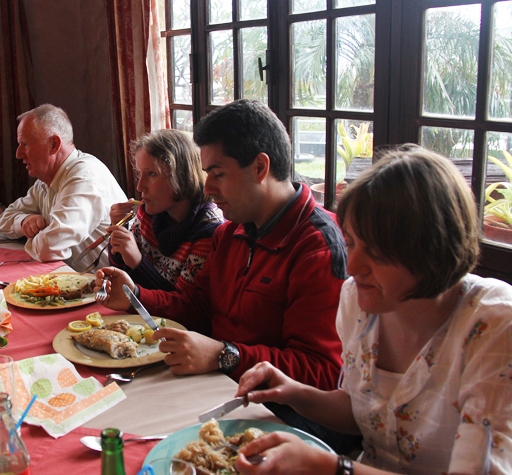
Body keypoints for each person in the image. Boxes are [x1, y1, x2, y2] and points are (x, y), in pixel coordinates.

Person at [233, 145, 512, 475]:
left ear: (432, 248)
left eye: (377, 252)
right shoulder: (359, 301)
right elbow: (365, 413)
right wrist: (293, 392)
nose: (353, 266)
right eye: (351, 243)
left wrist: (332, 467)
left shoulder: (496, 322)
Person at [97, 99, 346, 387]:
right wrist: (136, 295)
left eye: (218, 174)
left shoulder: (317, 248)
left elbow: (323, 372)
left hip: (268, 405)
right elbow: (199, 309)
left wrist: (224, 355)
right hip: (216, 382)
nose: (207, 188)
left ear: (260, 167)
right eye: (207, 174)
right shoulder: (230, 232)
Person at [0, 104, 126, 269]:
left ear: (54, 145)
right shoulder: (44, 182)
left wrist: (34, 236)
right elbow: (2, 220)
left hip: (104, 283)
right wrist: (24, 222)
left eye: (25, 144)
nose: (18, 154)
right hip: (75, 279)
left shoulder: (83, 177)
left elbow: (48, 248)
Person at [107, 129, 223, 294]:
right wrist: (119, 231)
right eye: (140, 173)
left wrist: (138, 262)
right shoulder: (148, 212)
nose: (140, 187)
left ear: (181, 177)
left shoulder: (208, 233)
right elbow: (121, 280)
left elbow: (181, 304)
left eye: (151, 174)